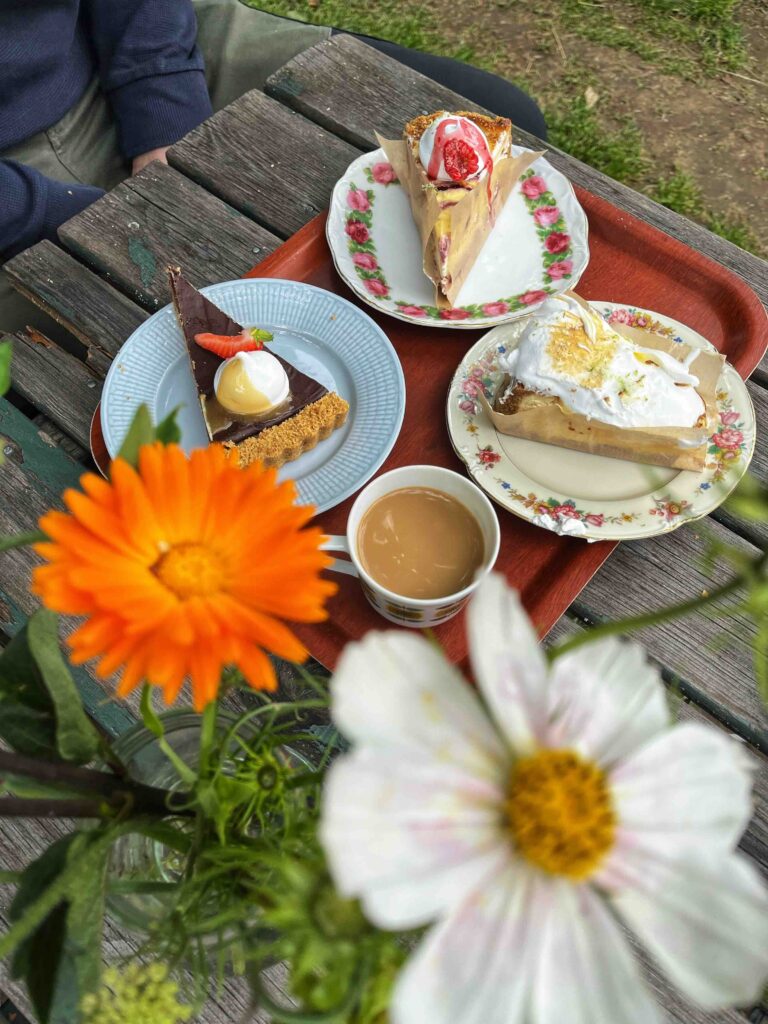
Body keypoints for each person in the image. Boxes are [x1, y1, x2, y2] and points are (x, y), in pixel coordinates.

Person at [0, 0, 547, 339]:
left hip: (122, 34)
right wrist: (69, 215)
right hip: (13, 181)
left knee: (499, 115)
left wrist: (163, 109)